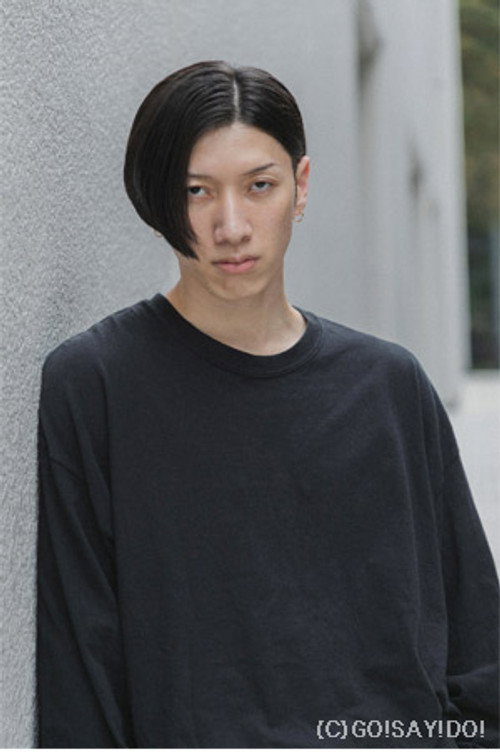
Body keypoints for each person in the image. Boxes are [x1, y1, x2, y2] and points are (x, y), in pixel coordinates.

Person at [36, 60, 499, 748]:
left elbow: (480, 653)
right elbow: (78, 675)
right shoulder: (96, 383)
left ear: (300, 186)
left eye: (260, 186)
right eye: (196, 191)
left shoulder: (389, 387)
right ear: (156, 200)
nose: (231, 226)